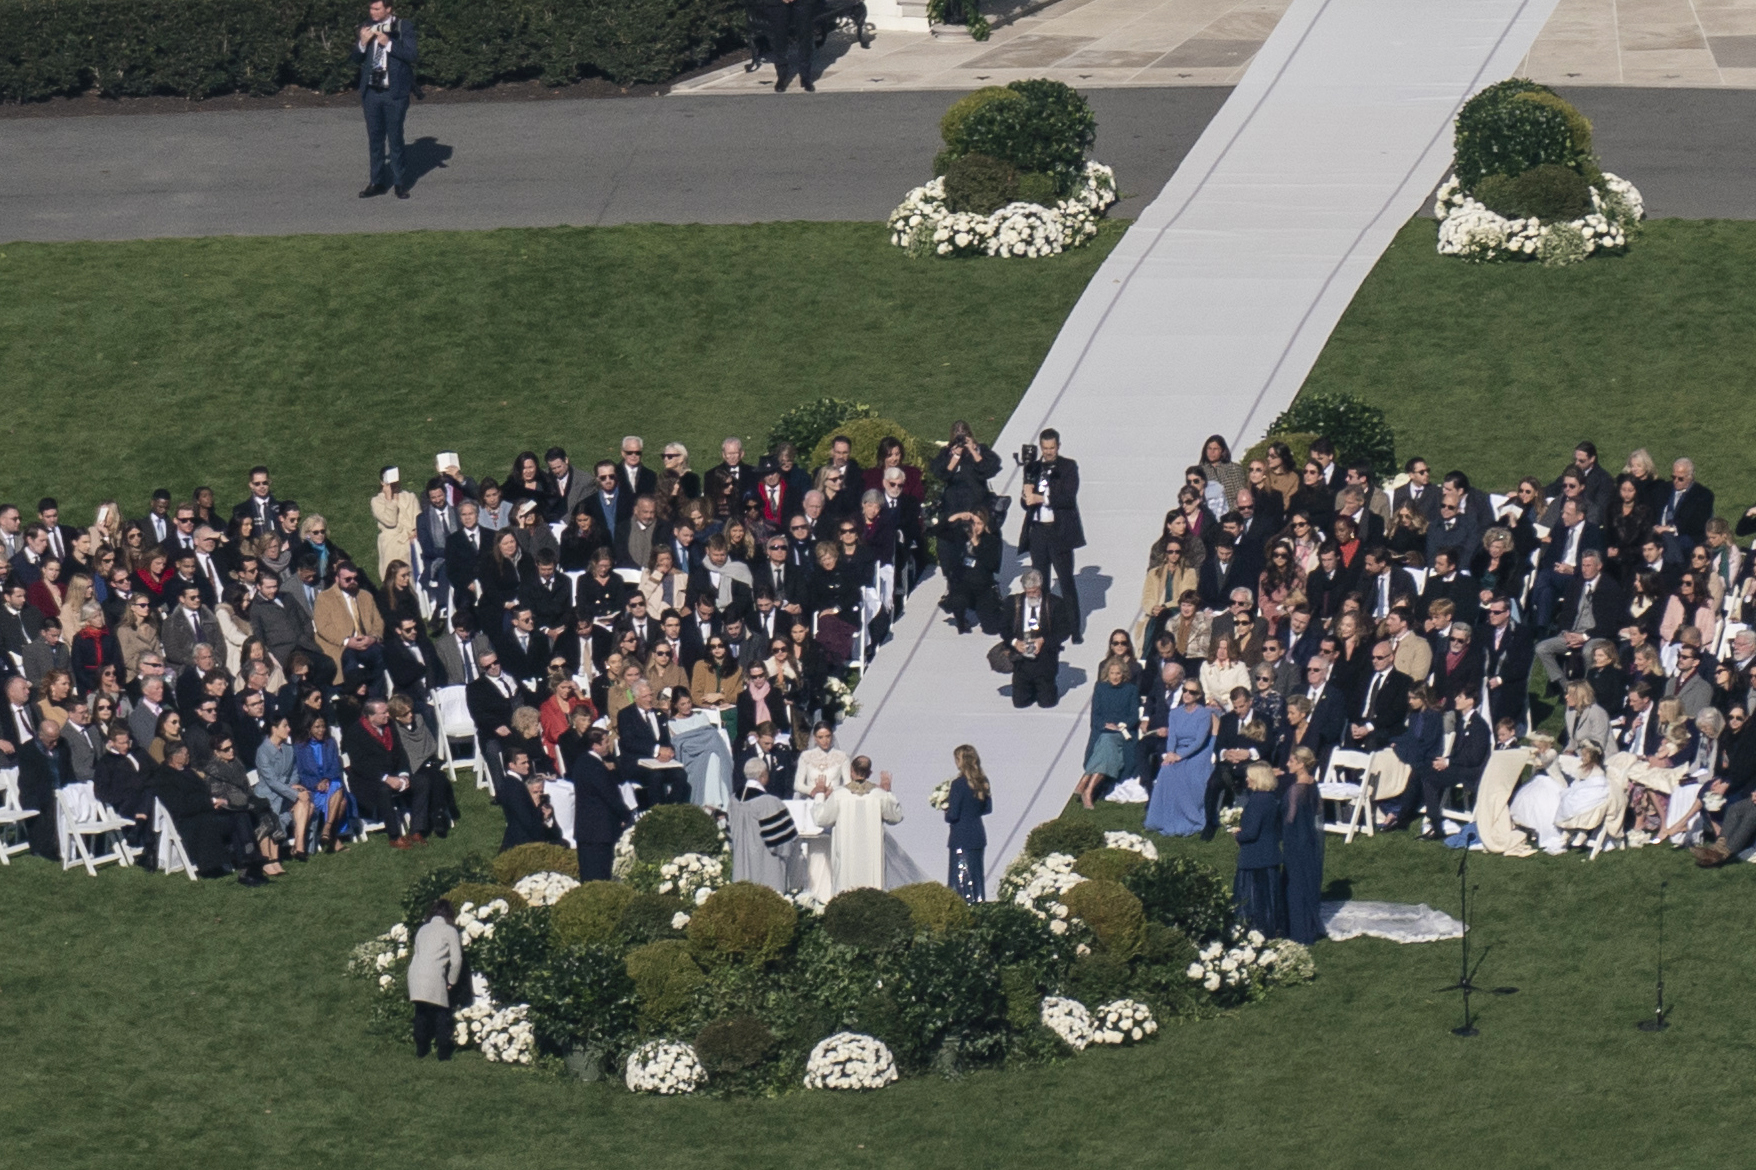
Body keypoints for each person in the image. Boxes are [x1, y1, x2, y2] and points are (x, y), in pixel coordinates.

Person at [1017, 429, 1085, 643]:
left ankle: (1074, 629)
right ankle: (1042, 627)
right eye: (1045, 449)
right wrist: (1026, 496)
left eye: (1052, 448)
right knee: (1040, 581)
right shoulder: (1034, 468)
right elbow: (1026, 503)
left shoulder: (1068, 466)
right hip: (1038, 531)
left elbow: (1067, 497)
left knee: (1066, 581)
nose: (1048, 452)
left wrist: (1042, 497)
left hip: (1060, 532)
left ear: (1058, 446)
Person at [353, 0, 419, 199]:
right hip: (372, 92)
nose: (372, 12)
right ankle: (377, 182)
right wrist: (362, 44)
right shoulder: (366, 26)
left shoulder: (403, 26)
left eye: (377, 9)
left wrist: (388, 44)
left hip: (394, 91)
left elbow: (411, 54)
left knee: (395, 138)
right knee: (375, 139)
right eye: (371, 8)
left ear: (388, 9)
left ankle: (400, 183)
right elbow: (354, 60)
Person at [810, 755, 902, 893]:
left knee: (846, 888)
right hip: (872, 860)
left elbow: (821, 819)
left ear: (851, 771)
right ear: (870, 773)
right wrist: (887, 791)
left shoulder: (840, 795)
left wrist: (820, 794)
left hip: (847, 855)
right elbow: (896, 816)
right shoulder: (879, 795)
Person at [1143, 676, 1217, 836]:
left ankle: (1190, 817)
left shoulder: (1204, 714)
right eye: (1185, 690)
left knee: (1188, 774)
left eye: (1192, 692)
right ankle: (1164, 817)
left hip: (1197, 753)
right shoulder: (1175, 713)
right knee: (1167, 771)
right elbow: (1173, 737)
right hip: (1177, 751)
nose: (1187, 694)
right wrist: (1170, 754)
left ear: (1198, 695)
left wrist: (1180, 756)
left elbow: (1199, 740)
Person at [728, 757, 801, 893]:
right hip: (765, 866)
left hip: (740, 864)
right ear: (763, 776)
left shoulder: (733, 800)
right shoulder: (769, 802)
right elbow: (783, 843)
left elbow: (730, 836)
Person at [1075, 658, 1139, 809]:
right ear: (1107, 674)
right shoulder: (1100, 688)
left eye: (1118, 673)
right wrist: (1105, 725)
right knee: (1106, 742)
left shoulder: (1131, 690)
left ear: (1123, 674)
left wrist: (1121, 726)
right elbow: (1095, 715)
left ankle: (1086, 782)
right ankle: (1088, 790)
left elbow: (1133, 715)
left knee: (1108, 742)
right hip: (1103, 730)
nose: (1115, 676)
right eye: (1112, 673)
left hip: (1122, 732)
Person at [1002, 569, 1069, 710]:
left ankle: (1046, 688)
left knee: (1047, 702)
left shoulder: (1055, 604)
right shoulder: (1013, 603)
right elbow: (1003, 628)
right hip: (1021, 659)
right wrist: (1015, 642)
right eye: (1029, 592)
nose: (1032, 595)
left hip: (1044, 659)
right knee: (1020, 702)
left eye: (1035, 591)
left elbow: (1064, 631)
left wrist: (1043, 640)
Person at [568, 727, 629, 880]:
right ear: (595, 745)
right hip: (598, 831)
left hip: (588, 830)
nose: (608, 745)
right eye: (605, 742)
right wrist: (626, 815)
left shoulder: (583, 762)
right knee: (599, 875)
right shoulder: (595, 767)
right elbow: (609, 795)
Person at [1231, 763, 1284, 937]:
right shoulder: (1271, 798)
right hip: (1270, 855)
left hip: (1254, 858)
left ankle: (1252, 933)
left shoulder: (1256, 801)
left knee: (1252, 900)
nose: (1246, 779)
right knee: (1269, 899)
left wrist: (1238, 835)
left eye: (1249, 776)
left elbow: (1251, 833)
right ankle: (1271, 929)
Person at [1280, 746, 1325, 944]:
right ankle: (1309, 924)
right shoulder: (1313, 783)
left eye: (1291, 761)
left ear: (1300, 764)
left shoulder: (1295, 789)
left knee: (1295, 884)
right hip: (1309, 838)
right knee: (1306, 881)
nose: (1287, 764)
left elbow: (1289, 818)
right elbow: (1318, 809)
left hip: (1295, 840)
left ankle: (1297, 929)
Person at [408, 900, 463, 1060]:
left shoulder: (422, 929)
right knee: (442, 1013)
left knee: (421, 1012)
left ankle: (421, 1050)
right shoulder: (450, 931)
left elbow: (417, 952)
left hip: (415, 973)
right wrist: (452, 981)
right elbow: (457, 960)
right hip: (434, 973)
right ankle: (443, 1053)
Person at [940, 508, 1003, 636]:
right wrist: (958, 515)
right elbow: (942, 529)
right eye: (973, 523)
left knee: (991, 629)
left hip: (982, 588)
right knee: (958, 599)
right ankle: (961, 620)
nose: (975, 527)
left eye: (979, 524)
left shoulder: (991, 540)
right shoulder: (961, 537)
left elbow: (991, 564)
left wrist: (976, 543)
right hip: (963, 586)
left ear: (985, 525)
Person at [944, 744, 992, 903]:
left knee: (960, 880)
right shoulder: (983, 782)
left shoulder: (958, 784)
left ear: (961, 761)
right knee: (976, 876)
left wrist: (945, 808)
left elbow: (953, 814)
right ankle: (979, 905)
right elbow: (987, 808)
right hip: (978, 834)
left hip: (961, 836)